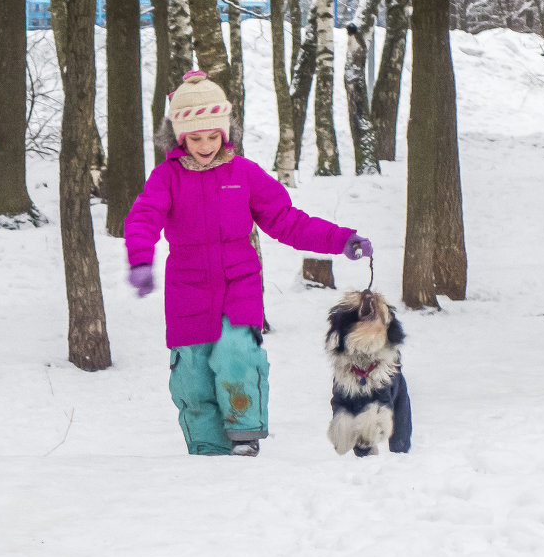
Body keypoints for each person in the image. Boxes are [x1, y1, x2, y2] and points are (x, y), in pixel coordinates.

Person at [124, 70, 373, 457]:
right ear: (178, 137)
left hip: (237, 288)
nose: (204, 145)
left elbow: (288, 221)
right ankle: (207, 448)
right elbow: (143, 217)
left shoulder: (244, 174)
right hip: (187, 292)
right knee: (192, 376)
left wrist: (339, 239)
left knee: (236, 354)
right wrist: (140, 259)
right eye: (194, 137)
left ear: (225, 133)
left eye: (212, 136)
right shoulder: (166, 178)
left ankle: (244, 434)